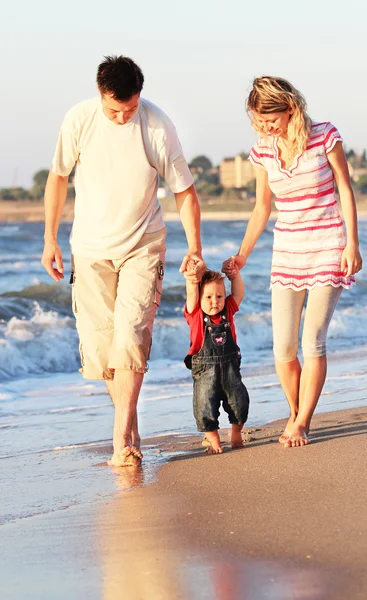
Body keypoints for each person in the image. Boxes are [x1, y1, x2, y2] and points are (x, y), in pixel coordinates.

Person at [41, 55, 205, 466]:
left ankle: (121, 441)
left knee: (130, 337)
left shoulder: (156, 125)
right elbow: (58, 177)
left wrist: (195, 247)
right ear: (101, 94)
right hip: (91, 250)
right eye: (115, 109)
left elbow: (184, 191)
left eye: (130, 108)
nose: (123, 116)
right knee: (102, 349)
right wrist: (50, 239)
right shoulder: (79, 120)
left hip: (143, 245)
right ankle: (129, 428)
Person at [223, 75, 362, 448]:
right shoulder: (264, 151)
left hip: (328, 246)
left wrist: (353, 245)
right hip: (287, 251)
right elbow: (261, 208)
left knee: (312, 340)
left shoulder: (325, 136)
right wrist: (242, 254)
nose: (265, 127)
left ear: (290, 109)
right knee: (282, 348)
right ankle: (295, 412)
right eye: (258, 121)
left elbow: (345, 190)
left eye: (270, 120)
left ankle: (301, 422)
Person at [184, 265, 250, 454]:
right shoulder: (195, 313)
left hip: (230, 369)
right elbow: (191, 294)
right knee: (204, 406)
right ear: (200, 298)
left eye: (219, 296)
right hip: (205, 372)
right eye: (209, 297)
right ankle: (213, 439)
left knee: (239, 402)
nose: (215, 302)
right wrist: (192, 276)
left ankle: (236, 433)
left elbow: (238, 293)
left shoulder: (228, 310)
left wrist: (234, 275)